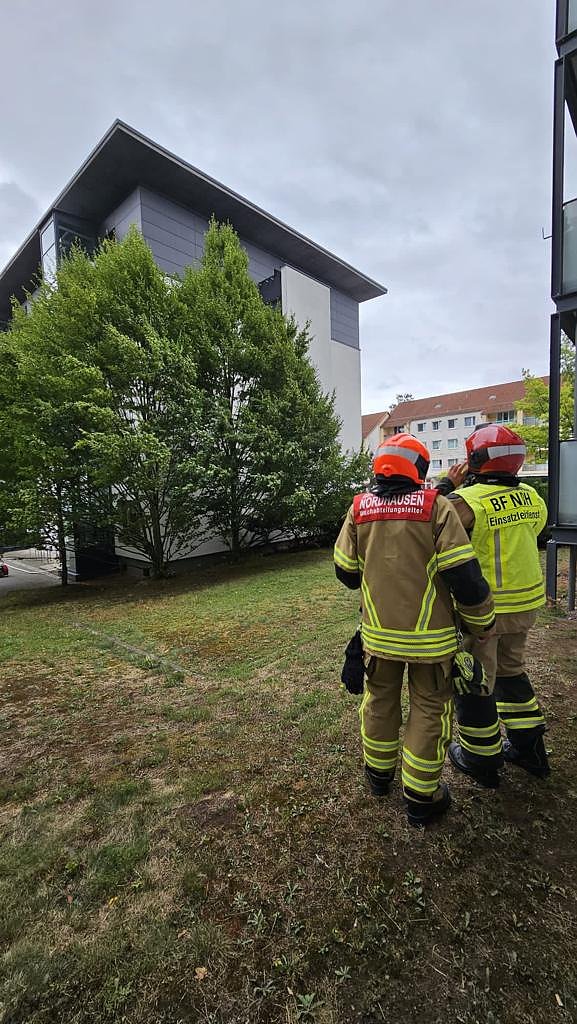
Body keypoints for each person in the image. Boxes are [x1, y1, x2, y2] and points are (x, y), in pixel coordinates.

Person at [334, 433, 495, 826]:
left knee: (379, 702)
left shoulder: (359, 509)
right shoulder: (436, 507)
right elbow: (466, 579)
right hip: (431, 642)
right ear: (419, 469)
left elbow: (346, 573)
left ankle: (378, 777)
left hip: (377, 637)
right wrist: (482, 623)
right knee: (429, 709)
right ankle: (422, 797)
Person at [438, 424, 550, 782]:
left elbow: (428, 523)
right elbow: (536, 532)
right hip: (525, 605)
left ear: (475, 459)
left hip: (484, 610)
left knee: (475, 681)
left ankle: (481, 760)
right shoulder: (531, 496)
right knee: (511, 672)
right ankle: (530, 749)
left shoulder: (466, 501)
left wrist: (446, 485)